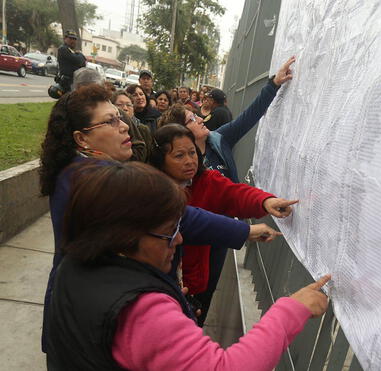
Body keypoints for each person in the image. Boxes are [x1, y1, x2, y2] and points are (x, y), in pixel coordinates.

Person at [39, 83, 280, 354]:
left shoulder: (80, 171)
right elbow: (178, 216)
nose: (124, 126)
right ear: (81, 139)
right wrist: (244, 231)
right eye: (110, 121)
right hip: (90, 327)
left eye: (120, 116)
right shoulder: (96, 180)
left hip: (82, 314)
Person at [44, 160, 331, 370]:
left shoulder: (76, 264)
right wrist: (292, 310)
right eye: (169, 232)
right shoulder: (138, 310)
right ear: (123, 237)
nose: (179, 239)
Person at [151, 124, 299, 326]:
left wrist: (265, 201)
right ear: (161, 160)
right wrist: (245, 231)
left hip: (195, 283)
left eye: (192, 152)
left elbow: (236, 194)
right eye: (179, 156)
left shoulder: (207, 181)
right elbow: (191, 222)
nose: (189, 161)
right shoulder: (150, 190)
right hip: (159, 283)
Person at [158, 56, 296, 183]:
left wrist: (274, 83)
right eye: (191, 120)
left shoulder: (218, 139)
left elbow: (250, 115)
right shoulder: (182, 172)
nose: (200, 119)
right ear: (181, 131)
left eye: (196, 115)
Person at [112, 90, 154, 162]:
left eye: (128, 105)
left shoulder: (143, 129)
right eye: (119, 105)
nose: (125, 108)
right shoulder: (109, 129)